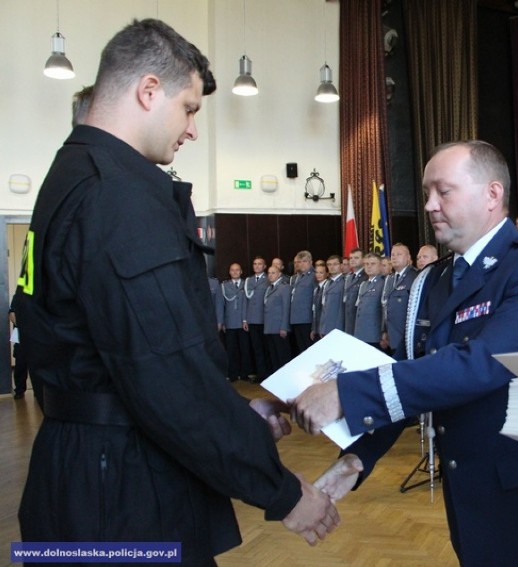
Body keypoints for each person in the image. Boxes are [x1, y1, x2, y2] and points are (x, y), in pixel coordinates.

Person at [15, 19, 338, 564]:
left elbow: (126, 364)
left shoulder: (73, 173)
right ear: (147, 91)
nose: (191, 129)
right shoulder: (120, 197)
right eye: (188, 108)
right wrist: (280, 491)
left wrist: (239, 421)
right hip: (121, 489)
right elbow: (167, 377)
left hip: (81, 464)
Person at [281, 140, 518, 565]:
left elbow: (485, 362)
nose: (430, 205)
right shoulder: (437, 279)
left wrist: (348, 393)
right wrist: (360, 457)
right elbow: (419, 375)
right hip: (469, 501)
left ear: (492, 194)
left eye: (443, 191)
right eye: (427, 192)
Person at [380, 243, 417, 355]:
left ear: (408, 257)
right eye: (392, 254)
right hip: (392, 336)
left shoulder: (415, 276)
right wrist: (385, 330)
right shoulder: (390, 279)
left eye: (399, 254)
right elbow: (385, 306)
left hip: (407, 337)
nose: (394, 257)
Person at [222, 263, 250, 382]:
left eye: (237, 270)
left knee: (244, 349)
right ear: (229, 272)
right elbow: (221, 305)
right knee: (231, 349)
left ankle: (244, 373)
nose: (234, 272)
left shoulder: (246, 285)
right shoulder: (224, 285)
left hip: (243, 322)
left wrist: (245, 320)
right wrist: (222, 321)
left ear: (241, 271)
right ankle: (232, 374)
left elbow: (248, 304)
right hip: (229, 322)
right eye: (232, 270)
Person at [243, 256, 270, 382]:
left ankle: (269, 374)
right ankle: (261, 374)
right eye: (255, 264)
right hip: (252, 319)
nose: (257, 266)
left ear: (264, 266)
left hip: (265, 320)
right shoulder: (249, 280)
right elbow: (245, 301)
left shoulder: (268, 279)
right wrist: (245, 319)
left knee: (266, 348)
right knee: (256, 348)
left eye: (260, 264)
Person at [263, 264, 292, 372]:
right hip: (270, 328)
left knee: (282, 355)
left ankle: (284, 377)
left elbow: (286, 308)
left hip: (279, 327)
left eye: (273, 273)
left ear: (279, 274)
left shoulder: (284, 287)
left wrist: (284, 327)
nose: (270, 275)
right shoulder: (269, 288)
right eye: (269, 273)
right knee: (273, 356)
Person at [353, 252, 385, 349]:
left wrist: (383, 332)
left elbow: (384, 310)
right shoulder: (363, 284)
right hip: (361, 332)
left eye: (373, 264)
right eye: (366, 264)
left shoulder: (383, 283)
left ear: (380, 266)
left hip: (374, 333)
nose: (369, 267)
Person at [290, 250, 317, 354]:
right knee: (301, 348)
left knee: (309, 348)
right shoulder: (297, 277)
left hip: (307, 318)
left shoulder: (313, 276)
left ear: (310, 262)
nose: (301, 264)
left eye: (304, 261)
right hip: (296, 318)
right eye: (300, 262)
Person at [318, 255, 346, 337]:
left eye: (335, 264)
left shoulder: (345, 282)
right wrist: (322, 327)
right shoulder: (327, 283)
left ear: (341, 265)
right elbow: (324, 307)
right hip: (326, 327)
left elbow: (343, 308)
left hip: (337, 327)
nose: (332, 267)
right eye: (329, 264)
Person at [343, 248, 366, 335]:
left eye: (356, 258)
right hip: (349, 321)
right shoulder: (350, 277)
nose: (352, 260)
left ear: (363, 260)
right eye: (351, 258)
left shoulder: (366, 277)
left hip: (360, 322)